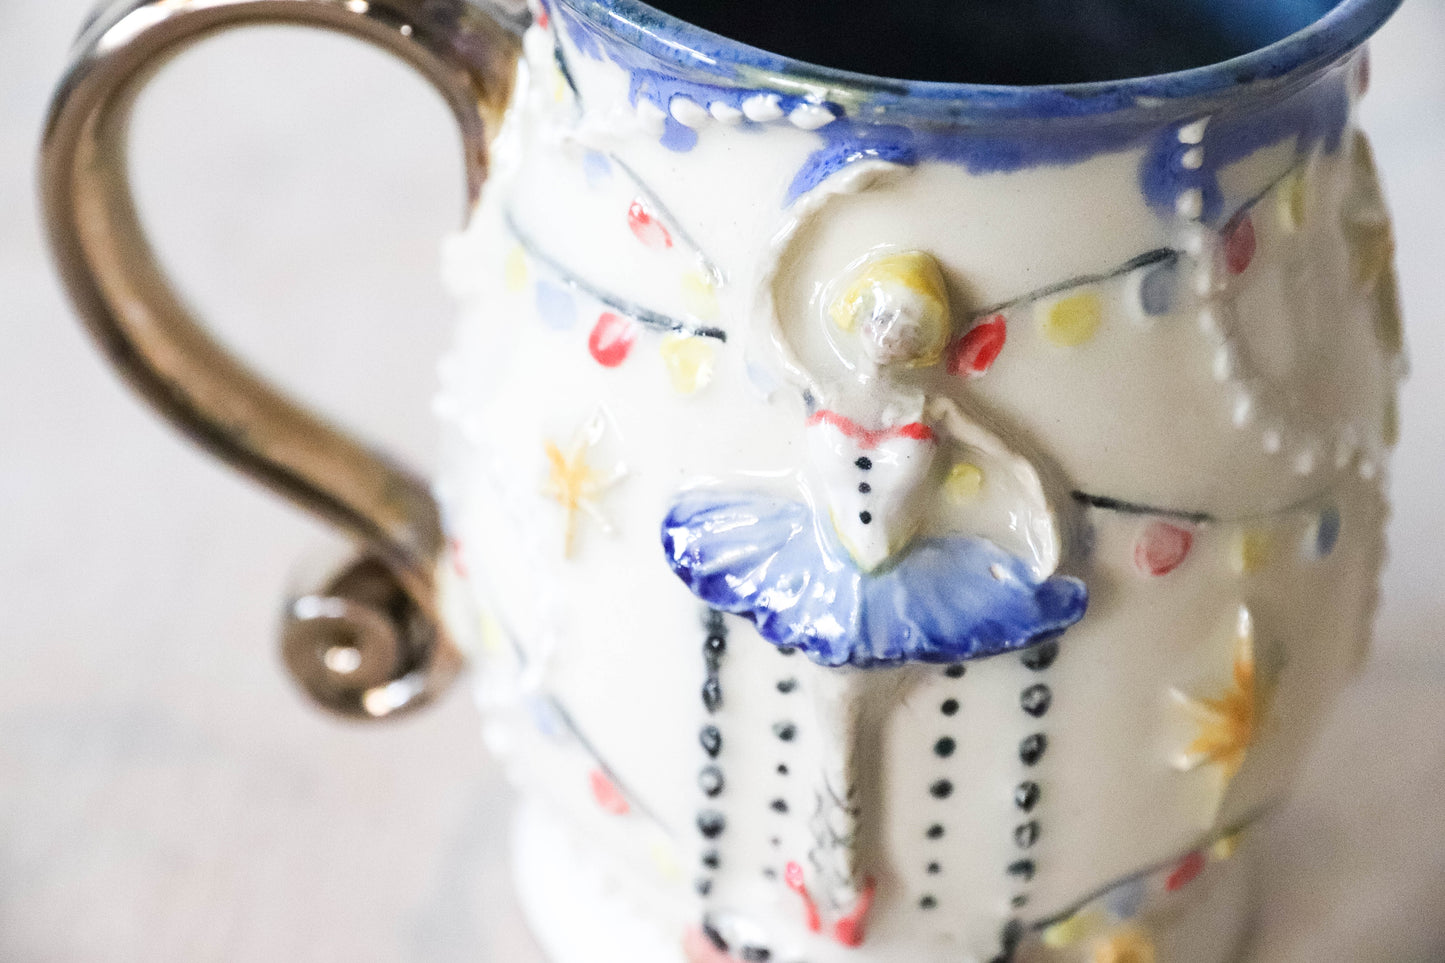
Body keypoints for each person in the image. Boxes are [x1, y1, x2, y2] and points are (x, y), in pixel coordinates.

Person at [662, 251, 1087, 668]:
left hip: (907, 574)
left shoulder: (932, 410)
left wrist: (1045, 519)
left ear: (922, 343)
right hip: (819, 562)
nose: (890, 335)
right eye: (882, 318)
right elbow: (766, 325)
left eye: (909, 329)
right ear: (860, 317)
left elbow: (1010, 458)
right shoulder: (823, 393)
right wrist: (795, 230)